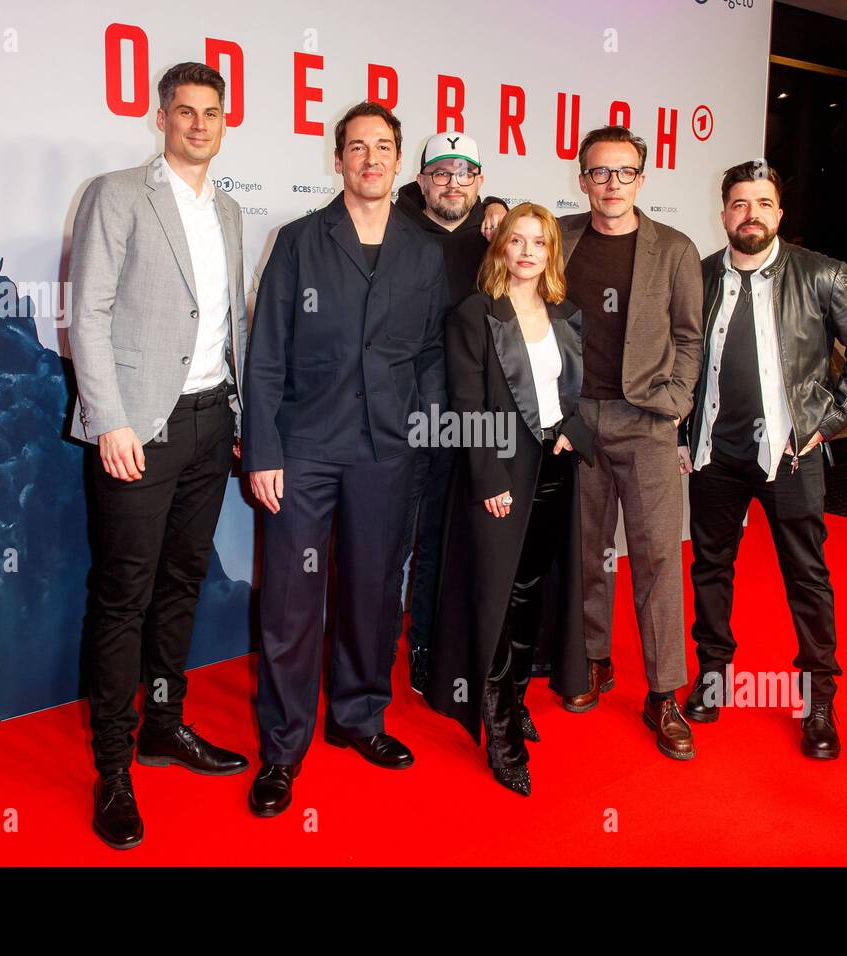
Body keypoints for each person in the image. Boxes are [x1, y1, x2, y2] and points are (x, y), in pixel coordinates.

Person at [241, 102, 449, 817]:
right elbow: (265, 355)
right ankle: (282, 746)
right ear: (336, 160)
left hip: (388, 451)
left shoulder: (424, 251)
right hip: (304, 448)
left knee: (372, 591)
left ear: (398, 163)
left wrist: (422, 431)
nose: (369, 159)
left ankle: (358, 716)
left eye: (382, 147)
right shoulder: (297, 241)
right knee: (291, 604)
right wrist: (264, 448)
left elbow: (429, 355)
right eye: (356, 147)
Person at [67, 63, 250, 851]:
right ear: (161, 117)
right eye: (185, 112)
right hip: (140, 428)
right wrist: (109, 419)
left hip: (213, 424)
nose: (199, 125)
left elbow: (228, 321)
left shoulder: (233, 210)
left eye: (212, 113)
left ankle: (164, 724)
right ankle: (113, 767)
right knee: (122, 597)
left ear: (223, 121)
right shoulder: (117, 193)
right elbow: (89, 310)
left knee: (181, 584)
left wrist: (242, 413)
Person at [677, 160, 847, 760]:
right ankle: (712, 674)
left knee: (807, 576)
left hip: (791, 456)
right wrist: (681, 431)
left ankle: (818, 697)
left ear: (779, 213)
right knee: (710, 569)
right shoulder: (699, 276)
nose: (751, 214)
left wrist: (826, 420)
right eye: (740, 204)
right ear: (723, 214)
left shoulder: (822, 274)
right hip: (715, 454)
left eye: (763, 203)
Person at [426, 204, 593, 796]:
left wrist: (575, 427)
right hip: (500, 472)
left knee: (530, 594)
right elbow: (466, 408)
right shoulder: (474, 315)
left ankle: (516, 698)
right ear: (498, 248)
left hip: (555, 466)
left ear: (551, 252)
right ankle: (499, 730)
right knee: (495, 597)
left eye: (539, 243)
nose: (527, 252)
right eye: (516, 241)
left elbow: (576, 389)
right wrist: (490, 479)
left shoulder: (567, 314)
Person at [556, 126, 704, 762]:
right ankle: (594, 660)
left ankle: (664, 691)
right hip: (578, 421)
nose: (610, 184)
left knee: (657, 561)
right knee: (588, 553)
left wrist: (673, 405)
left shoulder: (674, 248)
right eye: (598, 172)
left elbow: (691, 339)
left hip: (646, 422)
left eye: (623, 172)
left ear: (642, 178)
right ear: (581, 178)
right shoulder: (557, 237)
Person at [392, 133, 506, 695]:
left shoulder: (497, 239)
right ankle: (374, 649)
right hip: (403, 415)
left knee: (444, 536)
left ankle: (429, 644)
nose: (452, 182)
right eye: (440, 173)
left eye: (464, 173)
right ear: (421, 182)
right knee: (390, 537)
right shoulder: (394, 228)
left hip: (473, 418)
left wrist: (499, 212)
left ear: (480, 183)